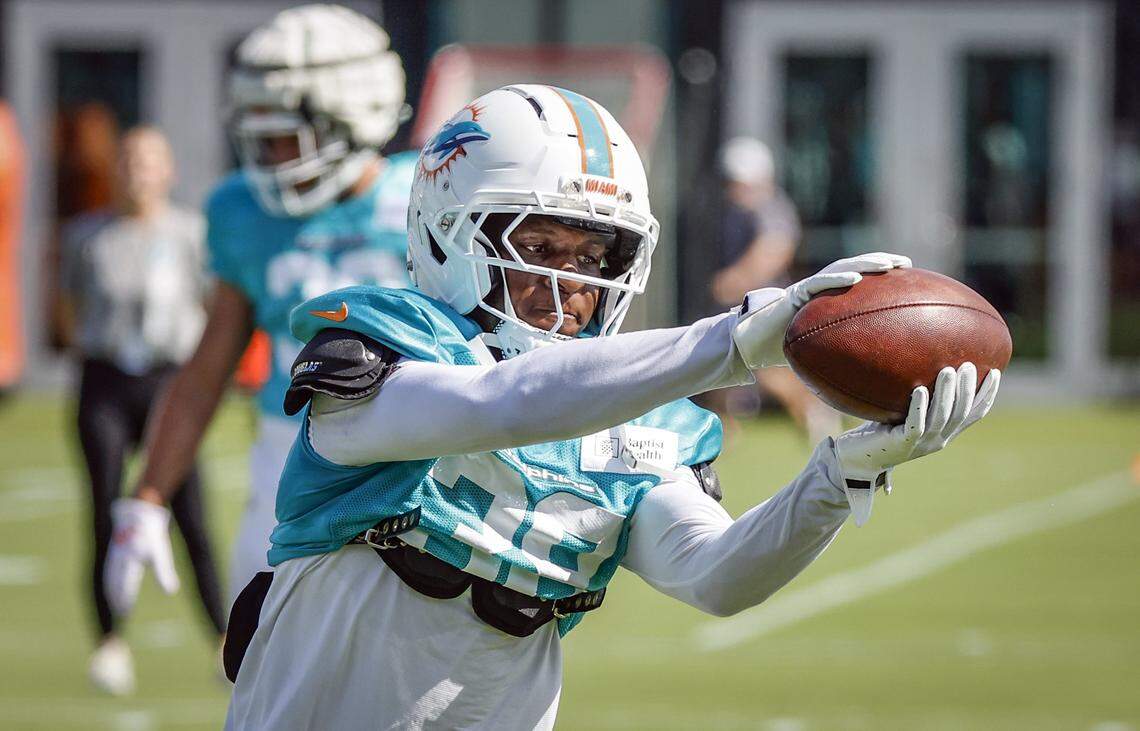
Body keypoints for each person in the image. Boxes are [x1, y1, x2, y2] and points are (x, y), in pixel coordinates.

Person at [222, 85, 1000, 729]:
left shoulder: (640, 424)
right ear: (448, 234)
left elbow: (718, 574)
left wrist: (839, 475)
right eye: (539, 248)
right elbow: (502, 403)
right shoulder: (383, 353)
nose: (571, 285)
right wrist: (730, 340)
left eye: (596, 256)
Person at [103, 4, 416, 623]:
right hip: (289, 463)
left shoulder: (423, 198)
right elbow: (205, 370)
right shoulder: (241, 211)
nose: (271, 159)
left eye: (284, 138)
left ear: (353, 119)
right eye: (260, 140)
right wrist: (147, 496)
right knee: (259, 659)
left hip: (416, 461)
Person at [57, 126, 225, 695]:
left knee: (191, 512)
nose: (138, 172)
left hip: (167, 382)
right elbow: (68, 307)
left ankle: (223, 638)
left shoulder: (190, 232)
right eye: (129, 161)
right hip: (105, 380)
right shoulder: (88, 235)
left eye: (149, 161)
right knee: (104, 508)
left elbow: (213, 306)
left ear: (168, 171)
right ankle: (109, 643)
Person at [708, 136, 842, 443]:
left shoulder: (770, 208)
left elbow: (775, 248)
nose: (734, 189)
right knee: (723, 364)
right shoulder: (736, 210)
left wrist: (737, 278)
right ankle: (720, 432)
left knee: (766, 370)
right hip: (743, 304)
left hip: (764, 304)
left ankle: (814, 413)